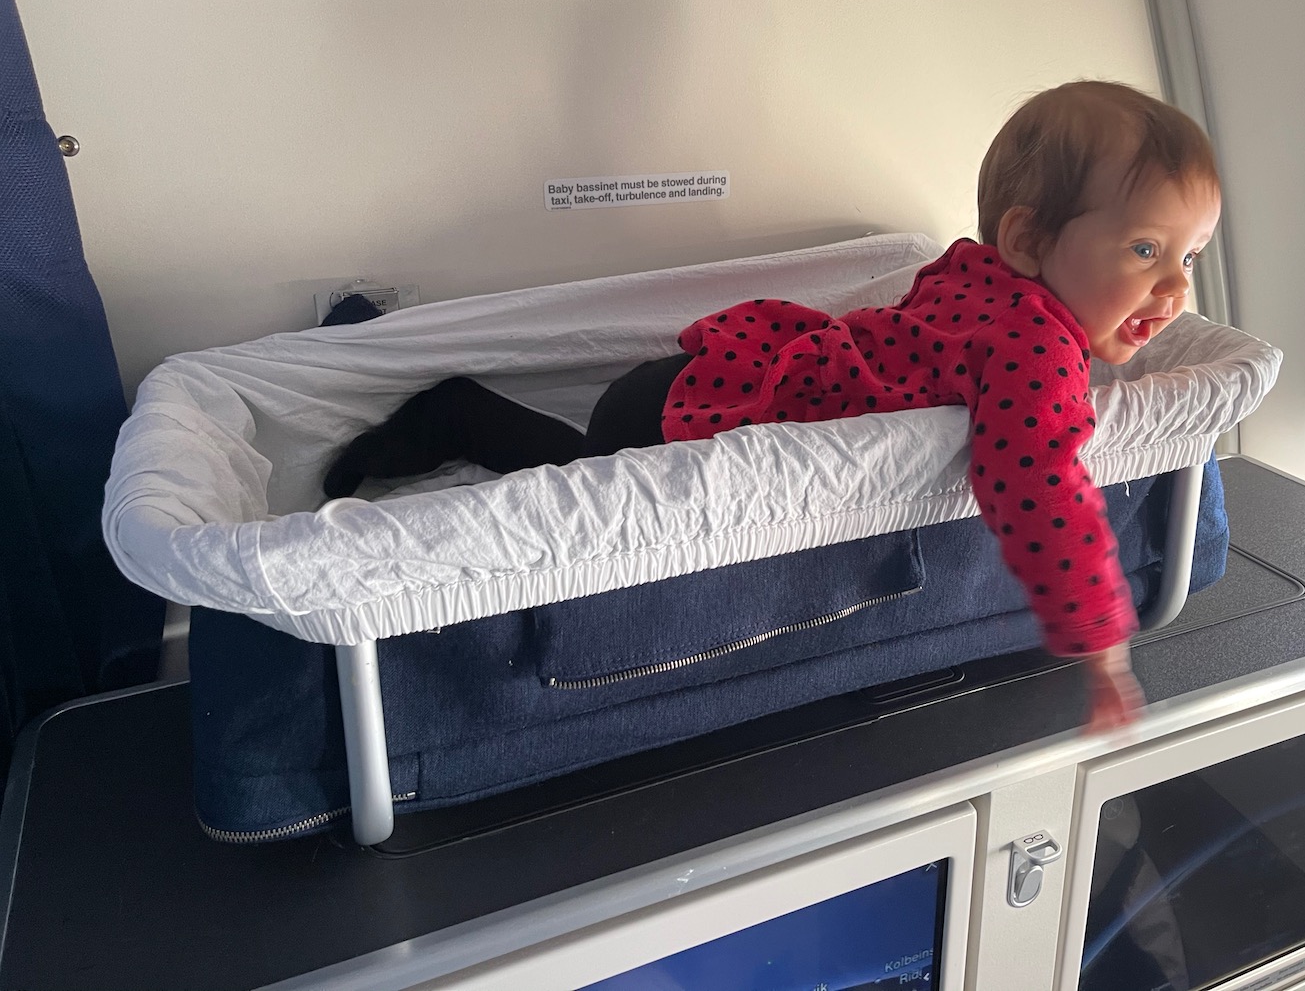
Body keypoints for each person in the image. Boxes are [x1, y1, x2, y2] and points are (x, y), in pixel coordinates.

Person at [324, 80, 1222, 733]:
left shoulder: (977, 274)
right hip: (691, 417)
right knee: (580, 507)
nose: (1175, 288)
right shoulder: (1038, 345)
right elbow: (1037, 484)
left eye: (1189, 256)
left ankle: (442, 395)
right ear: (1028, 240)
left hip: (705, 375)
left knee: (579, 465)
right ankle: (456, 418)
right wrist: (1100, 637)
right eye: (1146, 249)